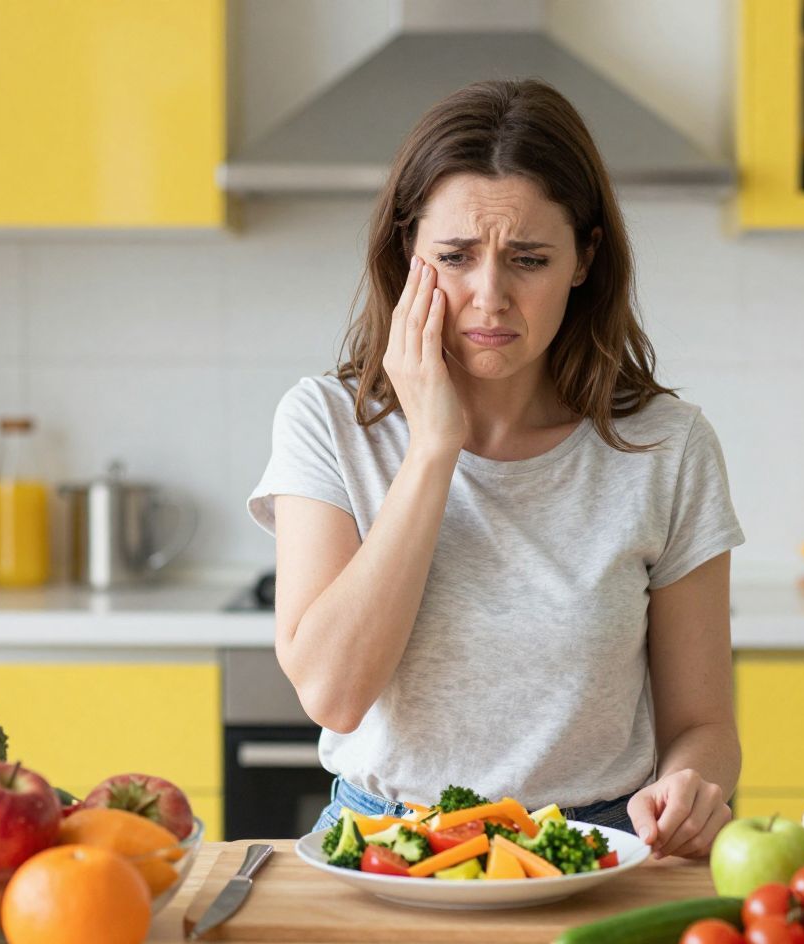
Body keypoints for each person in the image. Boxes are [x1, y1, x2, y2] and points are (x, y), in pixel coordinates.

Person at [248, 79, 743, 859]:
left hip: (590, 851)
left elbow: (703, 728)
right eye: (454, 257)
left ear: (585, 259)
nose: (490, 298)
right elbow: (333, 695)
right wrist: (434, 446)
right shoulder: (326, 422)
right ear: (407, 254)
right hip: (382, 850)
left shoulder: (667, 447)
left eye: (529, 259)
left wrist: (689, 786)